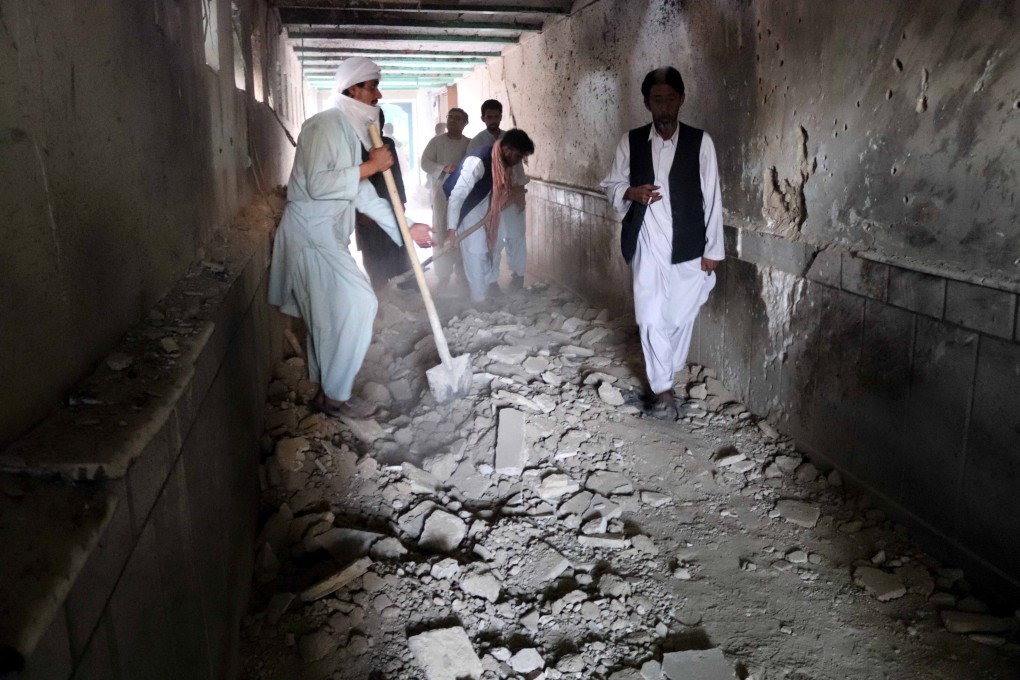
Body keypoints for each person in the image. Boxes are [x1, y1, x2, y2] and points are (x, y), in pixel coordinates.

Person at [267, 57, 432, 419]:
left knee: (326, 316)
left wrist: (407, 228)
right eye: (372, 85)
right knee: (361, 302)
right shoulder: (323, 126)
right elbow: (318, 183)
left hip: (326, 235)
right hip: (312, 235)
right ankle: (337, 397)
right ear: (352, 89)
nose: (378, 93)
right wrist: (372, 166)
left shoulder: (347, 131)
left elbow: (363, 195)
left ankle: (327, 394)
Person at [600, 66, 724, 419]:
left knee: (680, 316)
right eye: (657, 100)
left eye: (670, 99)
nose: (664, 107)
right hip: (647, 243)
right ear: (647, 103)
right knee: (651, 317)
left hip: (689, 244)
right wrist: (631, 192)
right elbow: (611, 185)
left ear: (681, 100)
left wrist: (714, 250)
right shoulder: (632, 140)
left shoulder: (701, 142)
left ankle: (667, 372)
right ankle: (663, 391)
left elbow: (713, 196)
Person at [446, 129, 535, 306]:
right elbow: (457, 196)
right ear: (507, 149)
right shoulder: (478, 161)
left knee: (493, 246)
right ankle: (478, 299)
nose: (518, 161)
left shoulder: (504, 162)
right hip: (469, 207)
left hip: (490, 205)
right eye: (518, 156)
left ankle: (487, 289)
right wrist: (451, 230)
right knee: (477, 251)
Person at [468, 100, 529, 293]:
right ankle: (492, 281)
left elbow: (518, 169)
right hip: (489, 199)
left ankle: (518, 276)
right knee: (493, 241)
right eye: (489, 117)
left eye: (496, 116)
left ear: (501, 117)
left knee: (516, 237)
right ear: (483, 118)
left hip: (512, 197)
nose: (493, 120)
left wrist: (520, 195)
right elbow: (473, 174)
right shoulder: (477, 142)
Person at [354, 108, 414, 290]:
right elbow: (353, 180)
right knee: (371, 250)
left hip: (389, 200)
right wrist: (360, 213)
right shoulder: (354, 144)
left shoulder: (387, 143)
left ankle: (407, 286)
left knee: (398, 245)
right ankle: (380, 290)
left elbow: (396, 175)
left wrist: (401, 201)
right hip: (365, 206)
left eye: (377, 122)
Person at [420, 108, 470, 285]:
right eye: (450, 118)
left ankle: (462, 272)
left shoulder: (469, 144)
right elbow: (425, 162)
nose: (452, 121)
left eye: (457, 119)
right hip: (441, 193)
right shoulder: (436, 142)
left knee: (460, 230)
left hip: (463, 195)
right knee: (441, 229)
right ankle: (443, 275)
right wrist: (443, 167)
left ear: (465, 123)